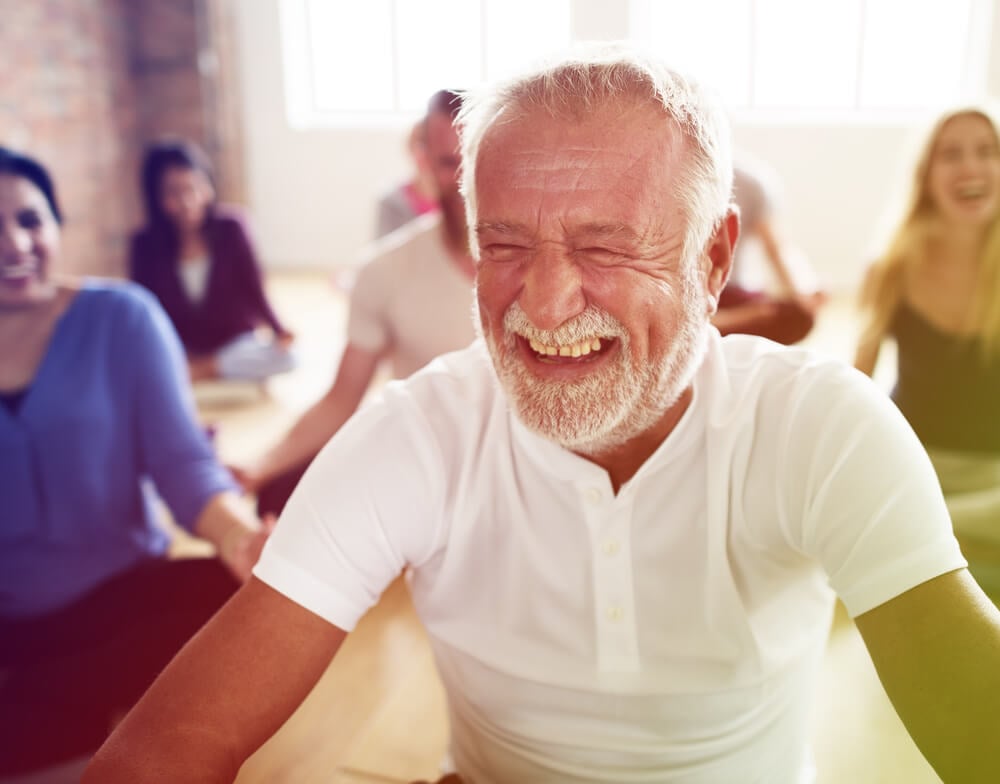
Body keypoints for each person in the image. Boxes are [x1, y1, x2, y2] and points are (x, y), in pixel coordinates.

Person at [85, 46, 1000, 784]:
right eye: (506, 244)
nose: (547, 302)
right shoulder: (421, 432)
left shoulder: (821, 429)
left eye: (605, 246)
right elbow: (158, 752)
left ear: (713, 256)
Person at [0, 146, 271, 777]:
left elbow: (185, 466)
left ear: (56, 224)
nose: (14, 243)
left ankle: (56, 715)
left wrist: (238, 538)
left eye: (30, 221)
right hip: (12, 619)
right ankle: (73, 716)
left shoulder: (121, 317)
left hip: (123, 599)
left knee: (241, 608)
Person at [235, 89, 476, 517]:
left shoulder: (545, 264)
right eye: (448, 163)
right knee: (279, 495)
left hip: (526, 464)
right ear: (422, 161)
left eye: (477, 158)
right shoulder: (384, 270)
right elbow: (342, 398)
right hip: (427, 462)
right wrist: (258, 466)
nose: (465, 181)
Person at [855, 106, 1000, 601]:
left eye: (987, 152)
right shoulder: (891, 265)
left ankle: (931, 540)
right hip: (915, 465)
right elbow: (856, 384)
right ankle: (935, 543)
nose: (971, 168)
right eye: (951, 154)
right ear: (927, 175)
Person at [129, 139, 296, 382]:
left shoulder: (233, 227)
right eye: (174, 192)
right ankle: (198, 369)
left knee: (290, 357)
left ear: (207, 187)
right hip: (181, 348)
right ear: (156, 197)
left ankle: (205, 370)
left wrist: (278, 328)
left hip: (234, 344)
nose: (187, 201)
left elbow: (254, 288)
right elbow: (144, 309)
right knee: (138, 365)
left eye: (193, 188)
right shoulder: (144, 244)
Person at [712, 160, 826, 344]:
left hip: (729, 293)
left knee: (798, 317)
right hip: (678, 296)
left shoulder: (752, 181)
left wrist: (803, 291)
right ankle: (722, 323)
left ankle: (714, 326)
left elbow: (779, 250)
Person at [375, 118, 441, 238]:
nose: (425, 154)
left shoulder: (461, 196)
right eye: (421, 146)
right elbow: (382, 250)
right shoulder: (391, 200)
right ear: (411, 149)